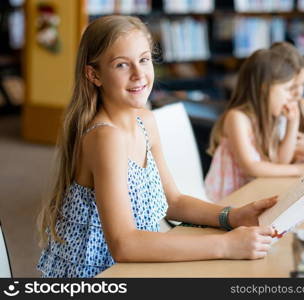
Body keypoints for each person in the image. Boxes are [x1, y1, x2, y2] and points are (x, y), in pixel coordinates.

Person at [36, 15, 278, 278]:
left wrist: (232, 216)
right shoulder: (105, 138)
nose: (139, 74)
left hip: (134, 266)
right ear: (94, 75)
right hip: (98, 275)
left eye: (143, 59)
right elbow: (124, 245)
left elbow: (172, 201)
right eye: (121, 65)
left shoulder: (145, 121)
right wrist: (226, 245)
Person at [205, 49, 304, 202]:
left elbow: (281, 161)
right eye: (286, 89)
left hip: (255, 191)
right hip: (230, 200)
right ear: (264, 88)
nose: (290, 97)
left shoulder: (269, 117)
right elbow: (250, 166)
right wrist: (299, 170)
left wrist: (293, 122)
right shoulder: (237, 118)